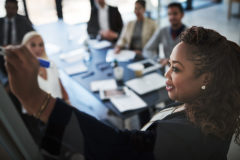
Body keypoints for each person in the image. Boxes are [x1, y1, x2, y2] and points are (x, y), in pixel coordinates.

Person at [5, 26, 240, 159]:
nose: (166, 74)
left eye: (176, 68)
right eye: (168, 64)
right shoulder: (210, 107)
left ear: (206, 78)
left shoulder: (190, 135)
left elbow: (122, 149)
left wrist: (37, 100)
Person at [22, 31, 70, 104]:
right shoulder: (23, 72)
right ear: (24, 47)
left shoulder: (50, 64)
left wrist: (68, 101)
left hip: (60, 105)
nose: (38, 48)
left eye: (41, 45)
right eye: (33, 45)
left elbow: (60, 85)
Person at [0, 0, 34, 86]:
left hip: (19, 51)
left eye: (13, 8)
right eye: (8, 8)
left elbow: (33, 36)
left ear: (17, 8)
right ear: (5, 7)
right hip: (2, 52)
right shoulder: (0, 22)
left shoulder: (23, 20)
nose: (10, 10)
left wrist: (19, 46)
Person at [143, 2, 187, 67]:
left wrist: (173, 62)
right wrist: (158, 59)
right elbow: (147, 49)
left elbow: (195, 57)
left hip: (184, 70)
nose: (172, 17)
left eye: (175, 14)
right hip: (167, 69)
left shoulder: (190, 33)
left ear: (182, 15)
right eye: (169, 14)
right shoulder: (162, 31)